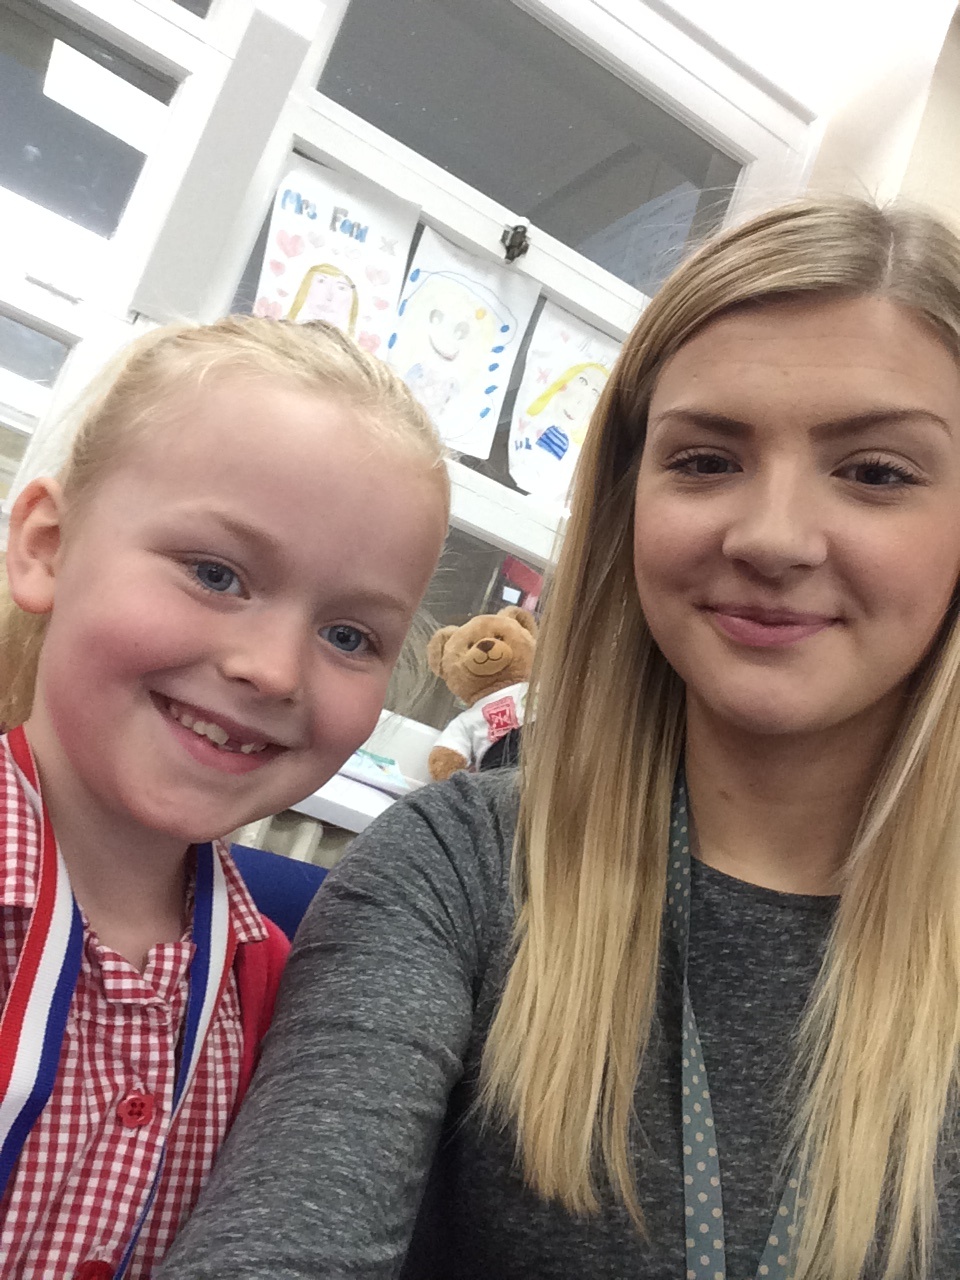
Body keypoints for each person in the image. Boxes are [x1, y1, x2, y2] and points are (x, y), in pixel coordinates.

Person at [157, 198, 960, 1280]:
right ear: (627, 500)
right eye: (705, 460)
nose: (772, 537)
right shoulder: (463, 869)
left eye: (875, 472)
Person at [0, 315, 448, 1278]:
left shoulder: (284, 1002)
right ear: (46, 546)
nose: (273, 669)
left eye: (349, 636)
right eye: (216, 575)